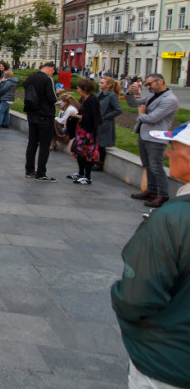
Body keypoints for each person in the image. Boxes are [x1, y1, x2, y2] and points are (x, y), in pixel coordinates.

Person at [111, 121, 190, 389]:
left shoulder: (173, 219)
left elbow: (137, 296)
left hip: (166, 362)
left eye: (174, 147)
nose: (168, 153)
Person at [126, 74, 181, 208]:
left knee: (156, 167)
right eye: (146, 85)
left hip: (157, 138)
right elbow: (134, 103)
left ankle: (162, 195)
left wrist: (141, 114)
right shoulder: (152, 95)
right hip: (144, 134)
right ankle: (151, 190)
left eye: (150, 84)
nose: (148, 87)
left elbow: (153, 118)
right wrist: (129, 93)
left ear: (160, 81)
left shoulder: (170, 99)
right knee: (147, 165)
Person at [23, 62, 60, 182]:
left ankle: (29, 170)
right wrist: (57, 94)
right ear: (51, 69)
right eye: (53, 72)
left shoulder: (30, 78)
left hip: (31, 113)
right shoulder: (47, 80)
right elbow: (52, 99)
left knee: (32, 143)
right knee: (44, 145)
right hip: (45, 115)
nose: (53, 74)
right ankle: (41, 173)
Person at [68, 78, 102, 186]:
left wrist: (75, 116)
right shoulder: (85, 98)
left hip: (88, 131)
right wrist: (72, 99)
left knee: (87, 153)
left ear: (84, 89)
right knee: (80, 153)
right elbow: (81, 109)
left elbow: (89, 117)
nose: (77, 90)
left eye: (78, 88)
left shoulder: (92, 100)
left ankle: (87, 177)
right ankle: (80, 172)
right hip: (81, 130)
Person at [96, 76, 124, 171]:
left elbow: (118, 110)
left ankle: (100, 164)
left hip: (105, 123)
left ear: (108, 85)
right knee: (97, 142)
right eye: (100, 82)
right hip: (98, 122)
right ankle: (96, 161)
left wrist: (105, 116)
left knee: (101, 144)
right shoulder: (100, 94)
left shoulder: (111, 96)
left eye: (102, 83)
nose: (100, 84)